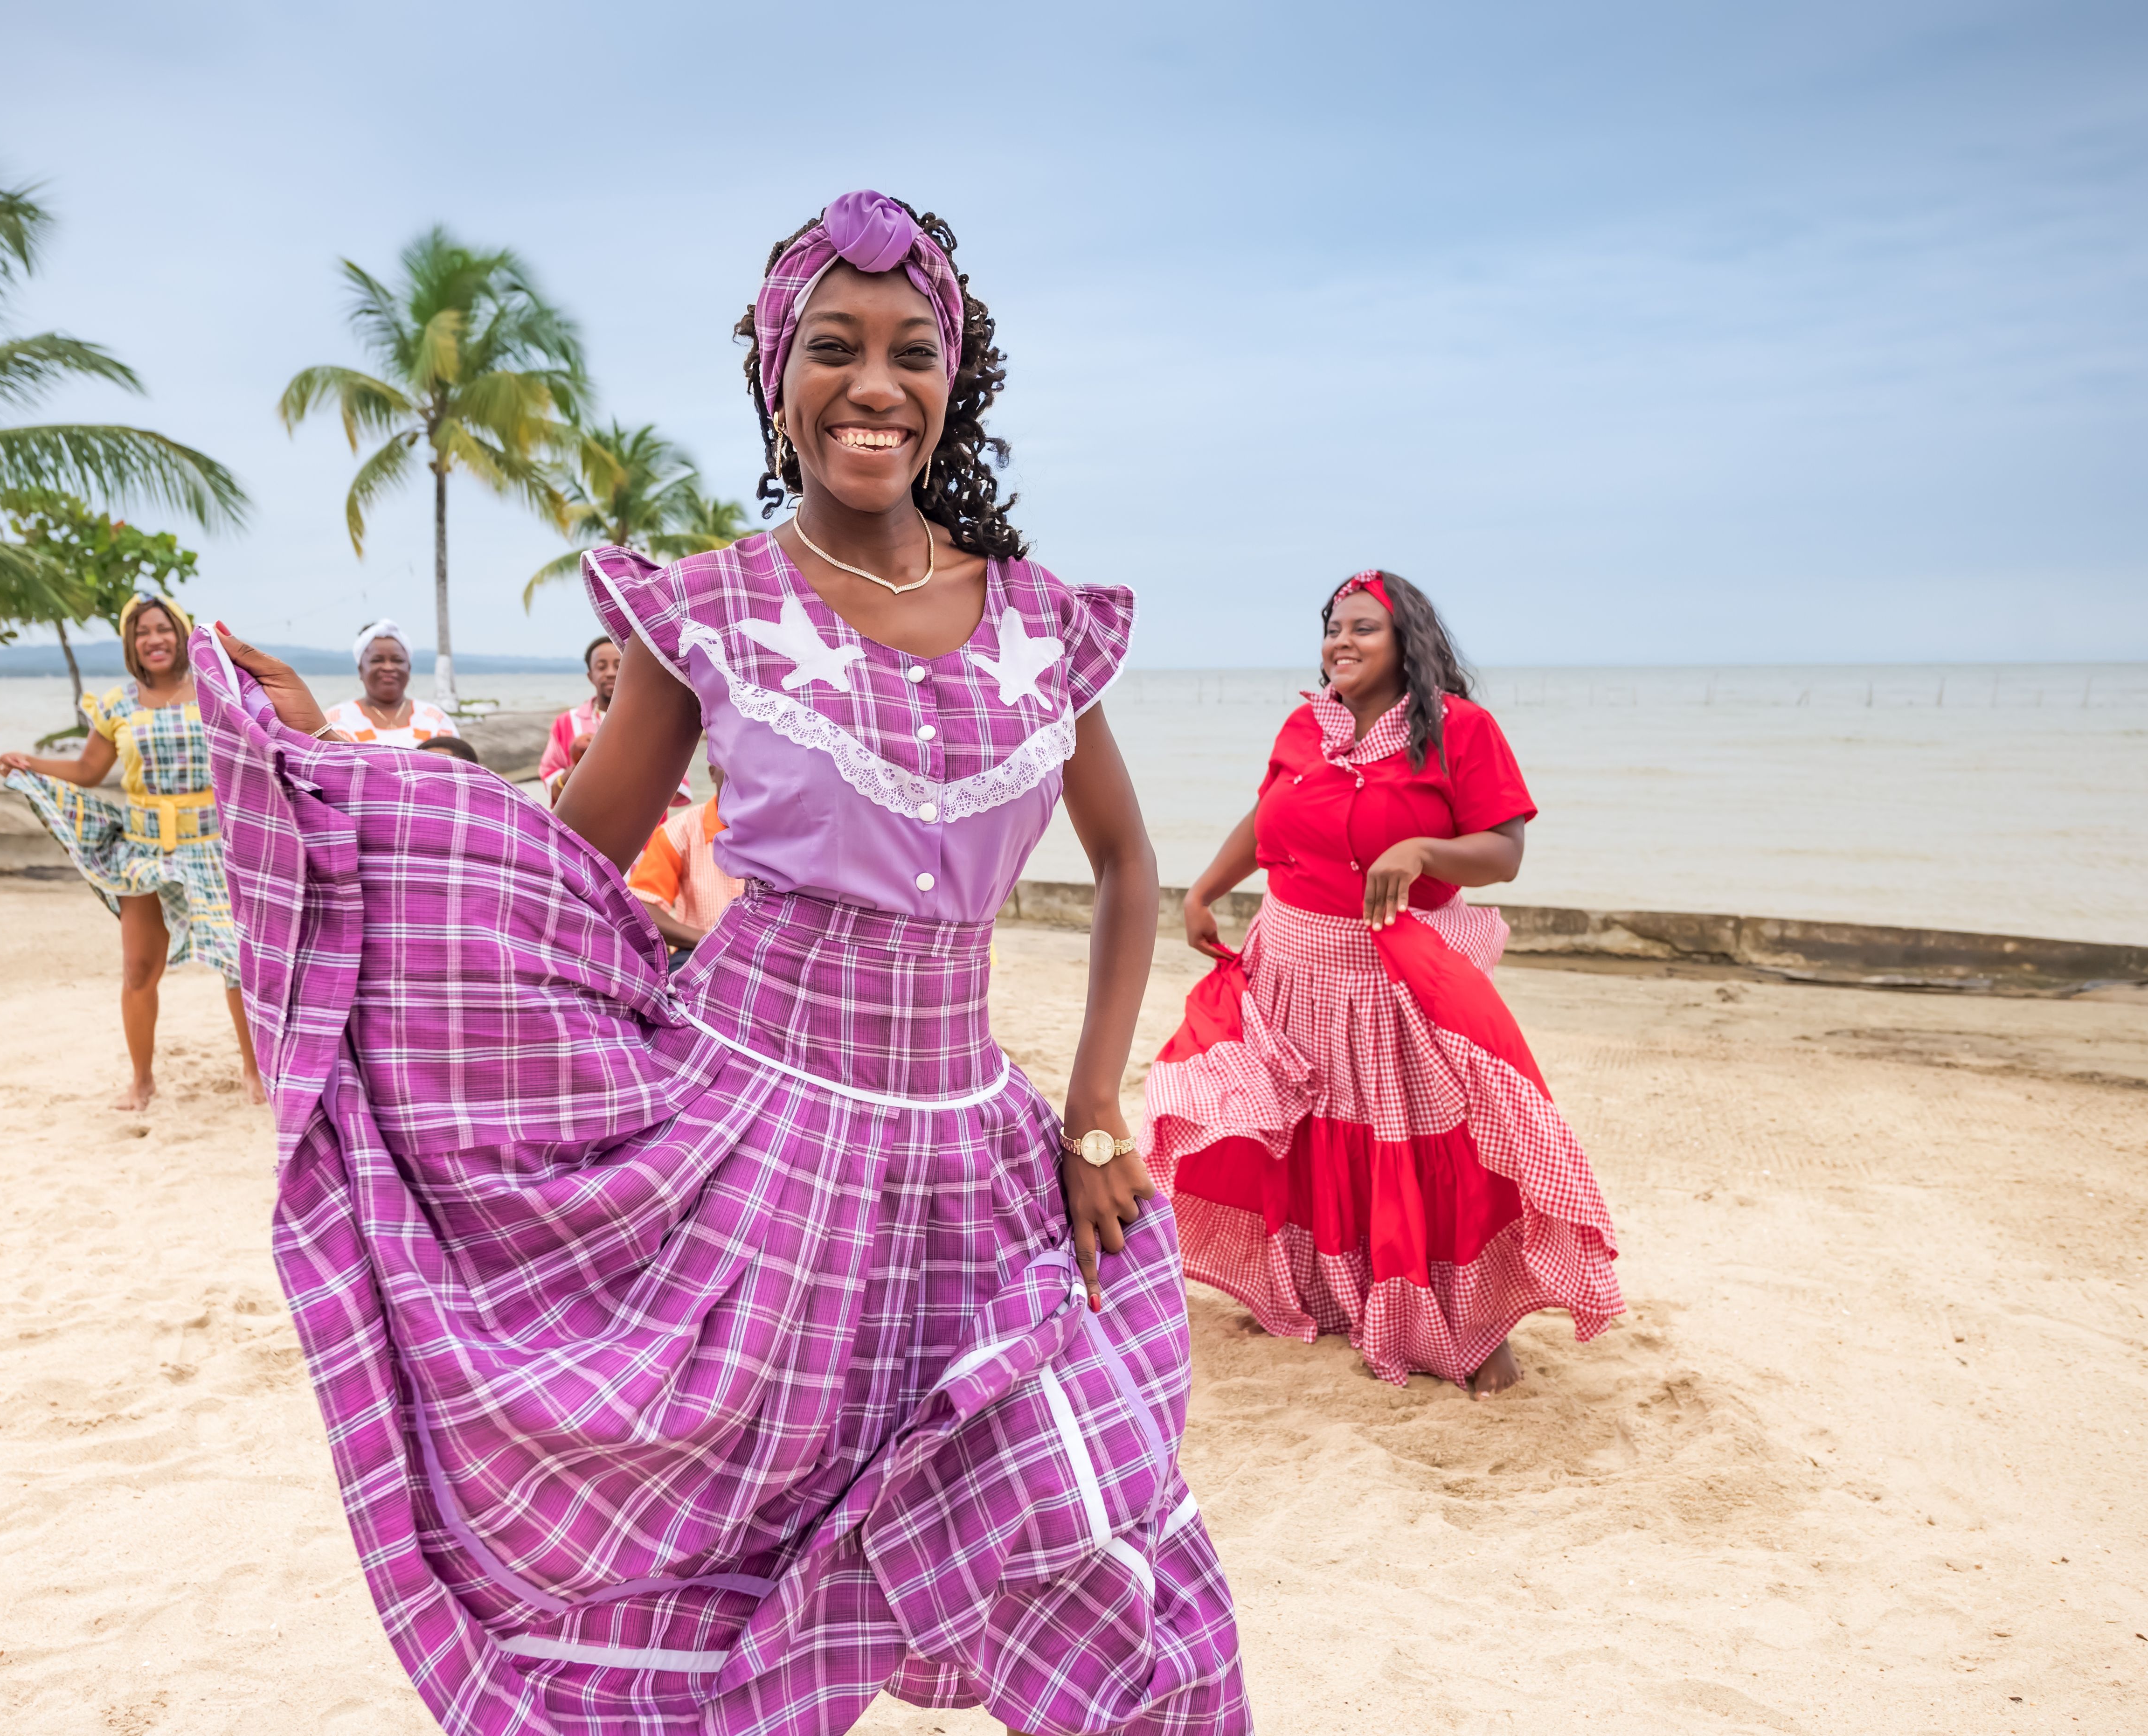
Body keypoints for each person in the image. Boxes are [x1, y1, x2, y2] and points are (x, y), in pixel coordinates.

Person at [197, 190, 1248, 1736]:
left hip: (973, 1164)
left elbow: (1128, 863)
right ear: (776, 379)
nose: (872, 385)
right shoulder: (707, 610)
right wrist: (332, 782)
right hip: (747, 1154)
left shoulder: (1039, 625)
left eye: (910, 352)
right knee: (716, 1567)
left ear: (953, 379)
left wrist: (1095, 1109)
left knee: (1096, 1538)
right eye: (832, 348)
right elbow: (555, 869)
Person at [1142, 570, 1621, 1397]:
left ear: (1407, 641)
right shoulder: (1306, 725)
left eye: (1363, 627)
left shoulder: (1460, 730)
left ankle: (1471, 1323)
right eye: (1333, 627)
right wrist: (1203, 889)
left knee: (1430, 1144)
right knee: (1304, 1138)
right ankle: (1324, 1291)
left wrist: (1421, 851)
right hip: (1289, 966)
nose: (1342, 641)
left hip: (1388, 976)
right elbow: (1267, 814)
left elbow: (1504, 852)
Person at [0, 595, 264, 1111]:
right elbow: (88, 771)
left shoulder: (216, 693)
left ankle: (254, 1070)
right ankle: (142, 1081)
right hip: (143, 850)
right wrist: (30, 763)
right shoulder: (117, 704)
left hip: (213, 849)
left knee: (237, 962)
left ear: (182, 635)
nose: (154, 640)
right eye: (142, 632)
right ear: (130, 644)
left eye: (163, 629)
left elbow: (252, 754)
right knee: (139, 970)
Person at [626, 762, 739, 967]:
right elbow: (641, 907)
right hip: (697, 951)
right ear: (712, 772)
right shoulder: (678, 832)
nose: (742, 773)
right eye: (732, 763)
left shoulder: (782, 832)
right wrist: (714, 939)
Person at [323, 618, 462, 745]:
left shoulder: (436, 719)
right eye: (377, 660)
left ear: (409, 668)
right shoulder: (336, 721)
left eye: (398, 660)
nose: (388, 667)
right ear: (361, 670)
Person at [536, 636, 619, 799]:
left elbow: (669, 789)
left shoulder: (649, 722)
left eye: (619, 666)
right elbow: (552, 786)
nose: (611, 673)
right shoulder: (566, 722)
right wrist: (576, 770)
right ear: (591, 676)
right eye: (601, 667)